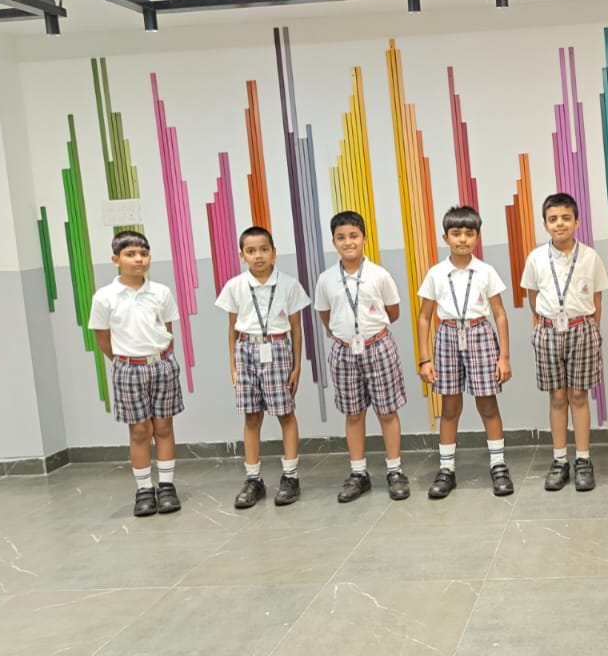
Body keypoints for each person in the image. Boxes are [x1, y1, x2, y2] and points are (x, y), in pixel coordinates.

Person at [416, 206, 515, 499]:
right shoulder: (436, 273)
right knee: (449, 406)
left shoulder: (485, 271)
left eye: (469, 233)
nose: (462, 239)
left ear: (477, 237)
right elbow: (424, 317)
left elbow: (499, 314)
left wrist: (504, 356)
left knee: (487, 403)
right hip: (447, 336)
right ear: (445, 236)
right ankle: (446, 469)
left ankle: (498, 465)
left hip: (480, 334)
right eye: (456, 233)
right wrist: (425, 358)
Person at [313, 211, 411, 502]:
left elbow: (392, 312)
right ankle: (358, 473)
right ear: (334, 242)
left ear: (364, 239)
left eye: (354, 236)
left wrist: (370, 331)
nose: (348, 242)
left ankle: (395, 470)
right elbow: (325, 314)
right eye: (341, 237)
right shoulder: (326, 279)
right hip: (344, 351)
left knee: (387, 411)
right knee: (353, 413)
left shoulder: (379, 275)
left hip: (378, 347)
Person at [88, 230, 183, 517]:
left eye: (143, 254)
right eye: (130, 254)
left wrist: (160, 356)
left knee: (164, 426)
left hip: (162, 365)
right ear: (116, 260)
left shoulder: (161, 292)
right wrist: (124, 361)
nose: (138, 259)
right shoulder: (105, 297)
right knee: (140, 431)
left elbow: (167, 330)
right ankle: (144, 489)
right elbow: (103, 337)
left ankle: (166, 486)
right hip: (128, 368)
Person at [214, 226, 311, 508]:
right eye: (251, 251)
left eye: (264, 250)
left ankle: (290, 476)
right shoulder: (235, 286)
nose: (258, 256)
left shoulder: (289, 284)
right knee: (251, 416)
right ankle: (253, 478)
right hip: (246, 349)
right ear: (242, 255)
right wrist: (233, 366)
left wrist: (296, 367)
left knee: (285, 413)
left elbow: (296, 327)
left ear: (274, 253)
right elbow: (232, 328)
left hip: (278, 349)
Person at [520, 193, 608, 492]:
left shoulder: (590, 257)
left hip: (581, 329)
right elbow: (533, 298)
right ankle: (560, 460)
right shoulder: (536, 257)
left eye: (565, 218)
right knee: (557, 397)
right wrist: (542, 327)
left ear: (577, 222)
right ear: (545, 224)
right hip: (548, 331)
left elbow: (596, 299)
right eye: (553, 219)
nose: (560, 224)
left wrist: (590, 330)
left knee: (579, 396)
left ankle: (583, 459)